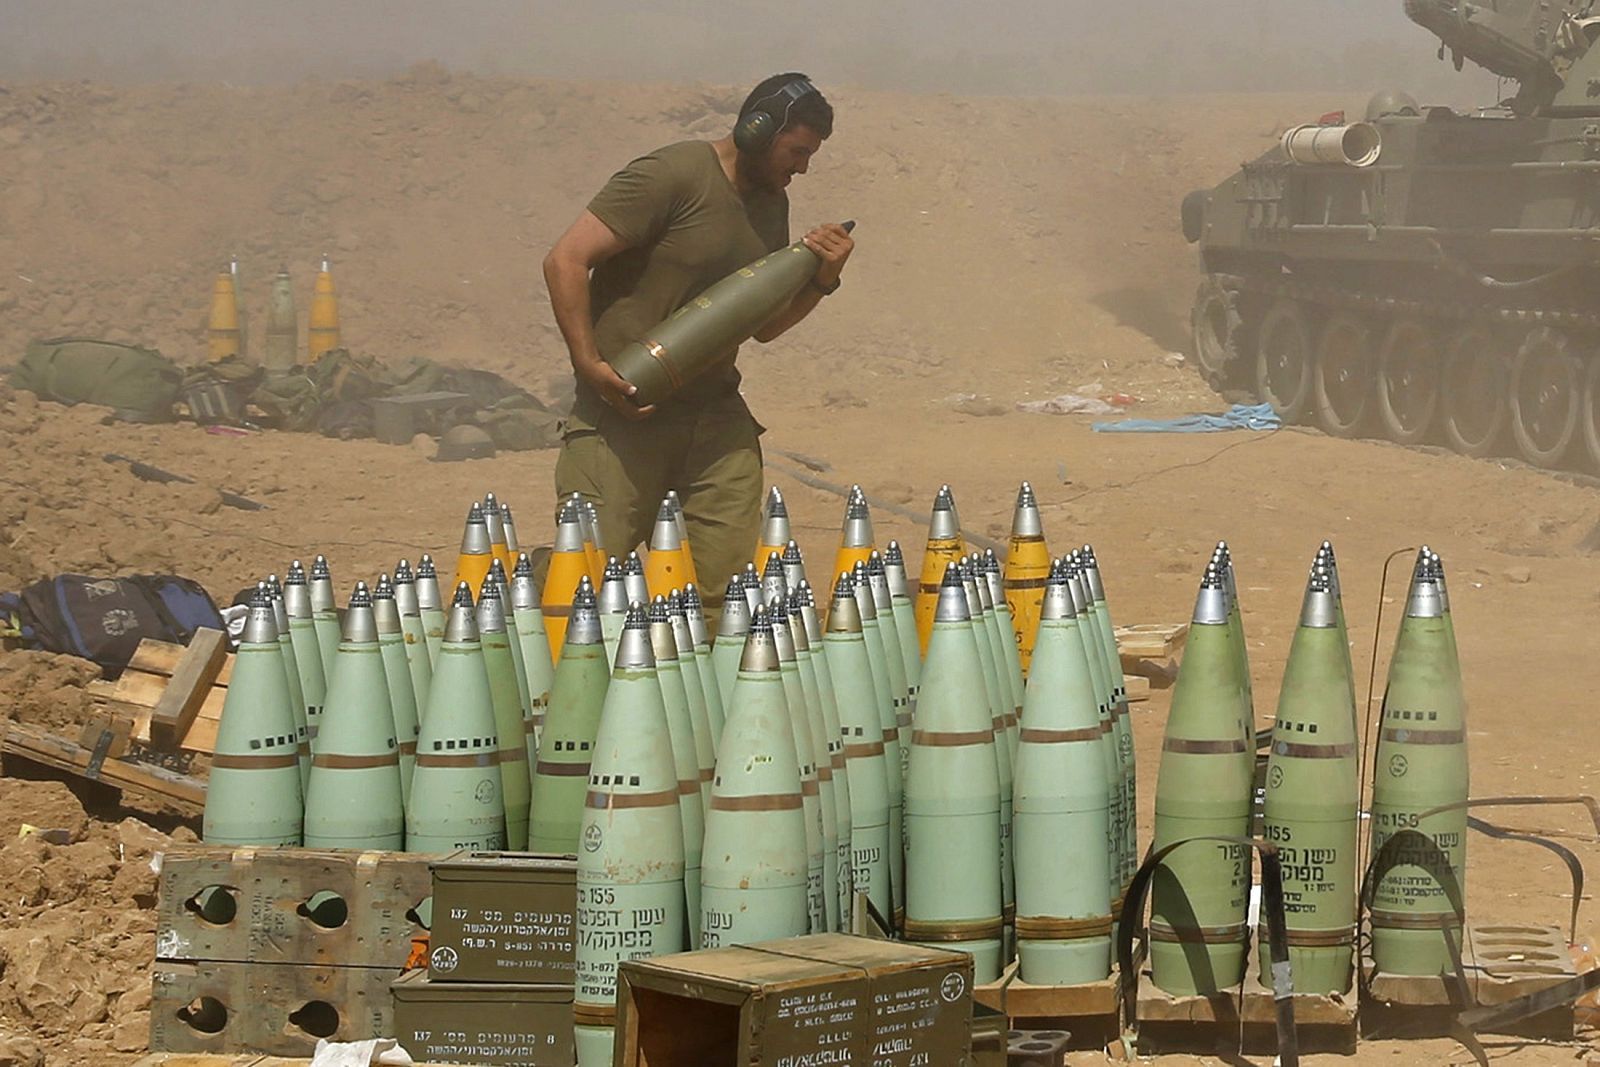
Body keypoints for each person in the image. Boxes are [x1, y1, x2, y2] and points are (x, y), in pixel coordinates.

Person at [543, 72, 854, 610]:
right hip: (625, 413)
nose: (802, 167)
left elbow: (763, 325)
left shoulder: (768, 203)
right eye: (797, 150)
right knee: (589, 583)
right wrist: (590, 364)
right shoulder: (673, 174)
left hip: (713, 417)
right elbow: (566, 259)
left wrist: (822, 278)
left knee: (724, 593)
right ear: (758, 130)